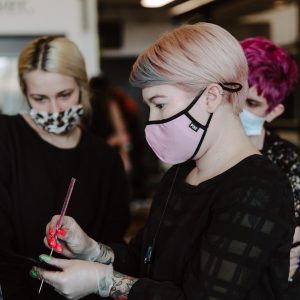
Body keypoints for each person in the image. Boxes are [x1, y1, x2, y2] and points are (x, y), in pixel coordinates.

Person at [30, 23, 295, 299]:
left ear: (211, 96)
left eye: (160, 104)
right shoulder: (180, 176)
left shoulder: (258, 190)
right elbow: (144, 258)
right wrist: (92, 250)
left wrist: (105, 282)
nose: (153, 121)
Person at [0, 36, 130, 300]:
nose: (55, 109)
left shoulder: (105, 159)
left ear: (82, 87)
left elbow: (115, 248)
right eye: (39, 98)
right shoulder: (5, 138)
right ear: (25, 93)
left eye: (64, 95)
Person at [239, 36, 300, 296]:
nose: (239, 109)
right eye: (236, 94)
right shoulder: (197, 156)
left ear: (273, 112)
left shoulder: (288, 163)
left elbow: (290, 249)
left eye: (252, 104)